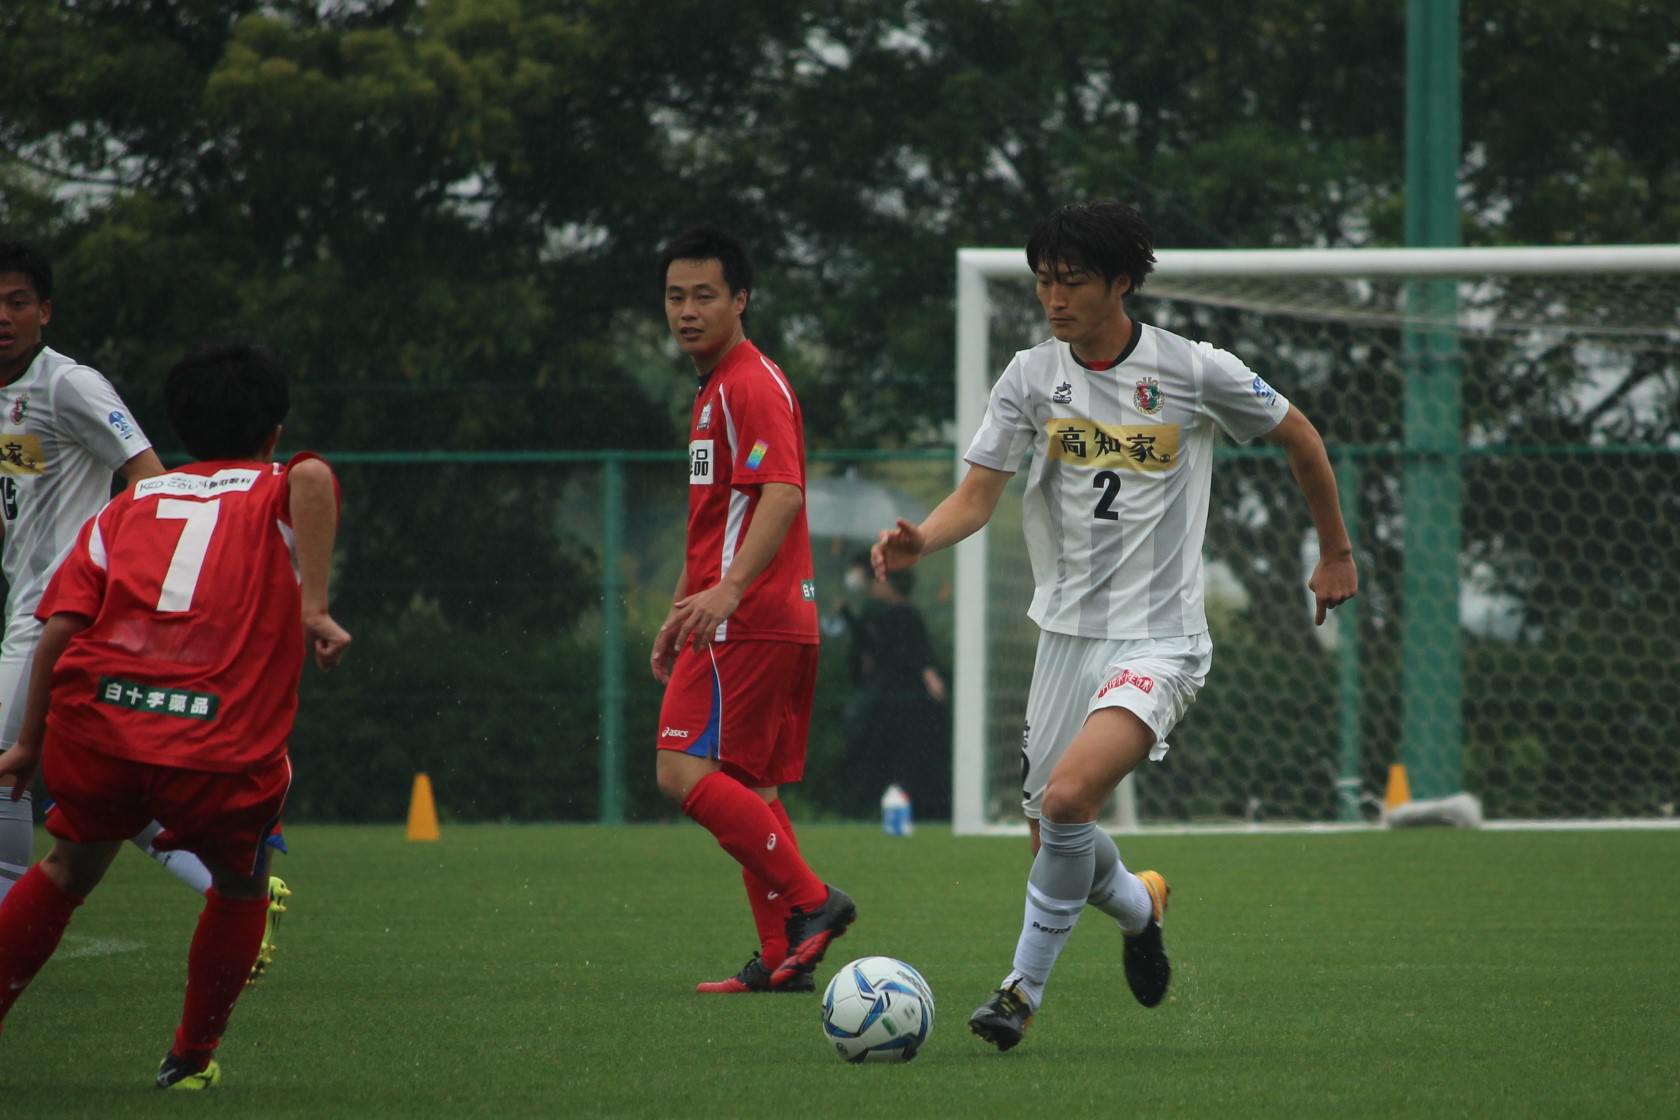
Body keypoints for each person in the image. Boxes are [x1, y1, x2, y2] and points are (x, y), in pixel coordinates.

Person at [872, 200, 1358, 1050]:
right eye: (1043, 281)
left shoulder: (1193, 369)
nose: (1053, 298)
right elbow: (976, 496)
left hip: (1162, 638)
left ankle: (1019, 993)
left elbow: (1302, 439)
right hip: (1066, 637)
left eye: (1072, 281)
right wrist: (923, 540)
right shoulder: (1030, 377)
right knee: (1054, 835)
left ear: (1121, 283)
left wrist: (1336, 552)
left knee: (1068, 800)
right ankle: (1140, 906)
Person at [0, 340, 350, 1088]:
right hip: (216, 744)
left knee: (65, 868)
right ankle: (189, 1059)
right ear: (274, 435)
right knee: (241, 882)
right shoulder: (276, 488)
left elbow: (59, 628)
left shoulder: (127, 505)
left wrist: (29, 744)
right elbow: (315, 477)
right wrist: (315, 608)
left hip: (101, 730)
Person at [0, 243, 291, 980]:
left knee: (11, 773)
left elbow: (149, 475)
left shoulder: (69, 385)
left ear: (45, 311)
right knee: (112, 785)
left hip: (66, 612)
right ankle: (241, 890)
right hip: (31, 605)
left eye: (16, 302)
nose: (3, 317)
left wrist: (141, 587)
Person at [650, 224, 855, 994]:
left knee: (680, 771)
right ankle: (779, 958)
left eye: (705, 295)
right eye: (676, 296)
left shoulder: (748, 383)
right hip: (753, 616)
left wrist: (728, 592)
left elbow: (783, 494)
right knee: (751, 785)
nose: (687, 311)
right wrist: (681, 610)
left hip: (750, 618)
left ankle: (812, 901)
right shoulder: (715, 388)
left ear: (741, 300)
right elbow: (716, 524)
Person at [834, 551, 949, 819]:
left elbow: (918, 652)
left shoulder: (904, 614)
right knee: (889, 753)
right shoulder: (882, 614)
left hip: (904, 698)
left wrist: (930, 677)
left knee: (903, 754)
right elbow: (870, 645)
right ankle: (883, 803)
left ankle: (908, 805)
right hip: (891, 696)